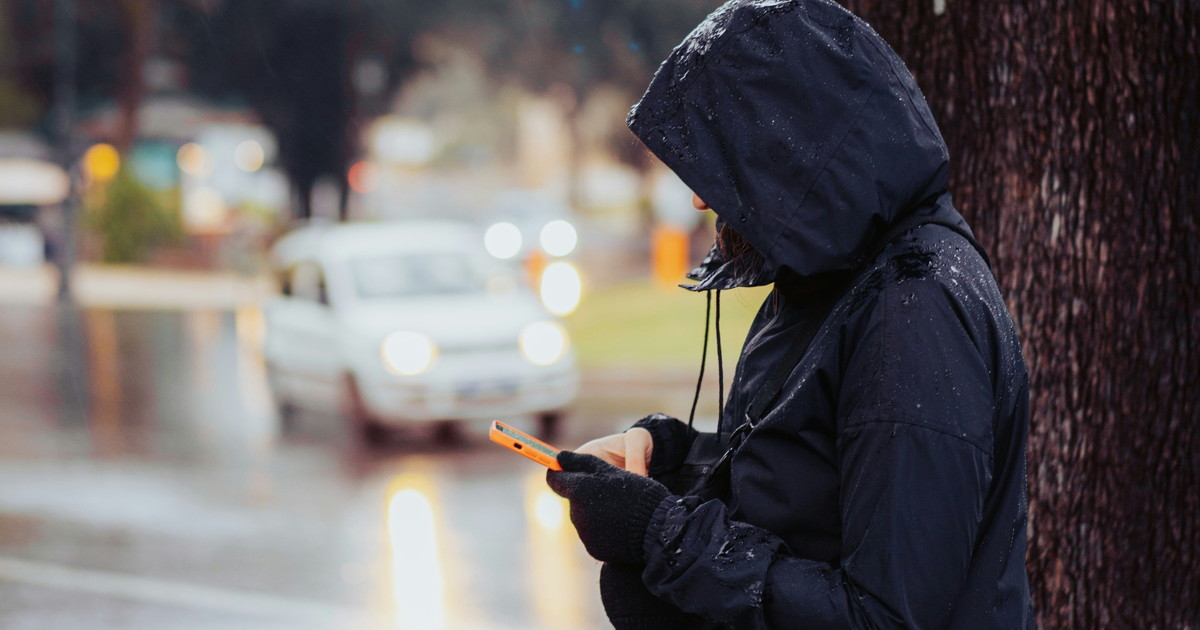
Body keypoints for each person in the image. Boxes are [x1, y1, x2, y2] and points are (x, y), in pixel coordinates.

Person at [544, 0, 1036, 628]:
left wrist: (662, 535)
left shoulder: (910, 313)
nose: (699, 196)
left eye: (720, 162)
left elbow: (885, 616)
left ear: (788, 149)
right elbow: (807, 475)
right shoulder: (832, 276)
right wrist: (665, 457)